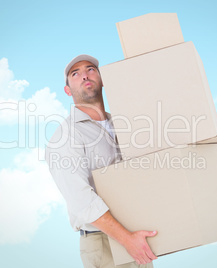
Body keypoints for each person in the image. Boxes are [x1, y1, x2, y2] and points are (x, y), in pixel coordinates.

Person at [45, 54, 157, 268]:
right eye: (75, 74)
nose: (85, 75)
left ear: (103, 79)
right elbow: (80, 199)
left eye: (91, 69)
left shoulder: (124, 123)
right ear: (68, 90)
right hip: (105, 241)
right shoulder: (66, 136)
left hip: (136, 236)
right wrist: (126, 239)